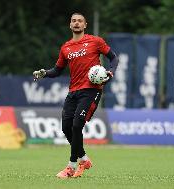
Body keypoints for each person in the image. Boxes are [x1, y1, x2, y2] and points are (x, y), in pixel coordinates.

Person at [33, 12, 119, 178]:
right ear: (70, 25)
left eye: (80, 21)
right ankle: (84, 159)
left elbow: (113, 58)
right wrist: (45, 73)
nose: (77, 23)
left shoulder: (96, 41)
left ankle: (71, 166)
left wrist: (110, 72)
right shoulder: (66, 47)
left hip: (92, 90)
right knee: (66, 127)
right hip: (73, 91)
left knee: (77, 125)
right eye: (74, 21)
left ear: (85, 25)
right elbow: (57, 70)